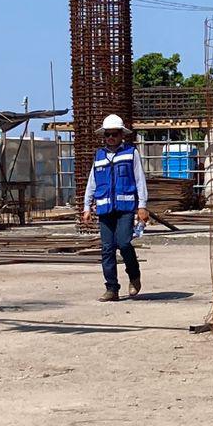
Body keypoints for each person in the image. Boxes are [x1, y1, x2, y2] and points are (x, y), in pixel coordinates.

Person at [80, 114, 149, 301]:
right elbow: (92, 182)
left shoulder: (131, 153)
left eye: (114, 134)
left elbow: (140, 180)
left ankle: (134, 275)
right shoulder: (99, 156)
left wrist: (142, 206)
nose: (111, 138)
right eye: (107, 134)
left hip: (126, 207)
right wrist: (86, 206)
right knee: (107, 248)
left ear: (121, 135)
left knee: (124, 243)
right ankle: (112, 288)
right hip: (105, 208)